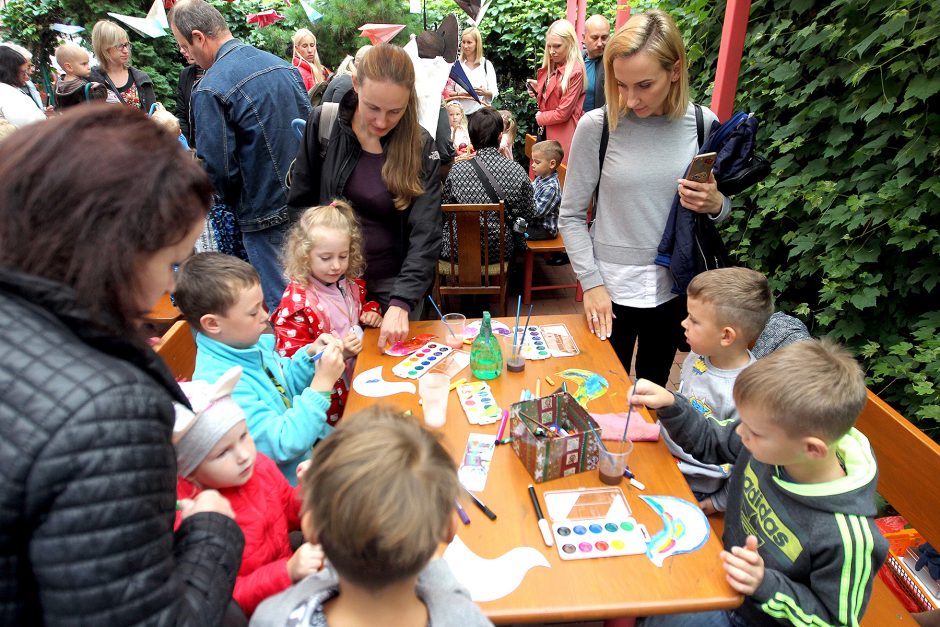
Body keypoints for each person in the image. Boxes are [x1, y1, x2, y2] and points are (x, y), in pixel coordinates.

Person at [0, 104, 244, 624]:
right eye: (172, 262)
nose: (172, 287)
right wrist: (212, 532)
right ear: (114, 250)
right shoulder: (108, 410)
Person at [632, 340, 889, 627]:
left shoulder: (846, 538)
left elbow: (832, 621)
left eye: (753, 431)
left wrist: (764, 584)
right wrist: (671, 405)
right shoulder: (770, 442)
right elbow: (712, 438)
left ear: (812, 449)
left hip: (756, 616)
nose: (740, 433)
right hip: (723, 572)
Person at [558, 10, 731, 386]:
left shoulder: (703, 124)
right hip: (609, 290)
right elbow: (570, 216)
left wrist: (715, 204)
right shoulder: (598, 126)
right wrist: (591, 283)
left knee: (654, 394)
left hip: (674, 288)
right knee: (601, 393)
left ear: (676, 70)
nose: (631, 99)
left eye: (644, 85)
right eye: (621, 84)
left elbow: (721, 212)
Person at [251, 406, 493, 627]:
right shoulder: (463, 617)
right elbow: (454, 605)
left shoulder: (272, 616)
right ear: (449, 527)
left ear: (310, 526)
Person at [287, 43, 442, 352]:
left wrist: (402, 300)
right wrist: (313, 271)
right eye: (372, 107)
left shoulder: (420, 146)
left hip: (392, 286)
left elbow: (426, 232)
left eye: (394, 112)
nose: (382, 122)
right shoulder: (324, 125)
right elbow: (301, 204)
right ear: (355, 84)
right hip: (330, 286)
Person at [169, 0, 312, 311]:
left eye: (185, 47)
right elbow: (310, 136)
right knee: (314, 304)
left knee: (286, 314)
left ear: (199, 37)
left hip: (262, 215)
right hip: (306, 205)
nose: (187, 55)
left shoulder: (210, 87)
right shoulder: (282, 66)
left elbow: (218, 170)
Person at [174, 252, 346, 484]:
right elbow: (282, 443)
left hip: (314, 455)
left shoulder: (248, 344)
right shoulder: (221, 388)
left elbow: (285, 386)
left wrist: (309, 356)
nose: (266, 316)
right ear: (213, 324)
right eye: (254, 312)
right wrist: (321, 385)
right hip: (292, 489)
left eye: (262, 306)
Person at [173, 368, 325, 616]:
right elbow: (225, 597)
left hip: (290, 579)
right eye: (222, 453)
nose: (244, 456)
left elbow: (289, 512)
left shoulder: (260, 466)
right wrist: (286, 572)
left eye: (244, 436)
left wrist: (307, 492)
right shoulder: (196, 520)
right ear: (190, 472)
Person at [664, 267, 773, 515]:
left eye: (694, 319)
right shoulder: (699, 355)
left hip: (697, 484)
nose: (684, 322)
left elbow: (746, 464)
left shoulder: (749, 394)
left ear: (726, 336)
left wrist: (717, 503)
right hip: (666, 454)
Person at [272, 200, 383, 424]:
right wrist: (339, 355)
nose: (336, 266)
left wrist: (371, 311)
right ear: (305, 255)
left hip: (358, 376)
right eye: (326, 258)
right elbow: (293, 364)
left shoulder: (347, 282)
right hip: (329, 396)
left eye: (343, 256)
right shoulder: (298, 303)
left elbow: (360, 304)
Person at [441, 106, 535, 263]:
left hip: (458, 251)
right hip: (500, 251)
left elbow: (445, 211)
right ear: (500, 137)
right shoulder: (516, 170)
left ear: (471, 138)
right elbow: (528, 212)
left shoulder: (456, 171)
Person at [526, 19, 585, 165]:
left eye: (557, 46)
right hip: (549, 131)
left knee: (559, 176)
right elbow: (553, 99)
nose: (552, 51)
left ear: (570, 43)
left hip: (564, 133)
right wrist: (539, 89)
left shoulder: (575, 70)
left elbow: (563, 113)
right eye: (549, 46)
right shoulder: (553, 64)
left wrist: (540, 118)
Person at [89, 20, 156, 111]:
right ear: (104, 48)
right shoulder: (90, 80)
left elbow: (153, 115)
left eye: (126, 45)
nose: (125, 51)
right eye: (120, 46)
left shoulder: (142, 79)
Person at [446, 26, 497, 117]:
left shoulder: (486, 65)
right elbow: (447, 92)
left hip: (482, 116)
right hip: (459, 117)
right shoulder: (455, 65)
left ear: (477, 44)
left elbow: (494, 91)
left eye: (469, 42)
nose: (465, 46)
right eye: (463, 42)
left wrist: (484, 92)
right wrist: (460, 94)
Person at [0, 46, 45, 127]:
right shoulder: (10, 96)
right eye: (23, 73)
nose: (27, 77)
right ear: (10, 73)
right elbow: (35, 127)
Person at [529, 139, 564, 240]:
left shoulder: (551, 188)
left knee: (517, 233)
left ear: (552, 164)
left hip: (545, 229)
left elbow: (537, 212)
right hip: (535, 223)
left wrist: (523, 203)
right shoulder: (540, 178)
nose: (533, 165)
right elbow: (531, 190)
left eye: (537, 162)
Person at [175, 44, 203, 149]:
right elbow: (181, 115)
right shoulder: (185, 74)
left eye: (185, 45)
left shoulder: (218, 71)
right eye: (179, 46)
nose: (181, 50)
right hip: (193, 147)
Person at [582, 14, 610, 113]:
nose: (599, 43)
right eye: (594, 38)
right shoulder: (576, 60)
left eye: (604, 38)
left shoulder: (613, 63)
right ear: (583, 38)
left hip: (599, 124)